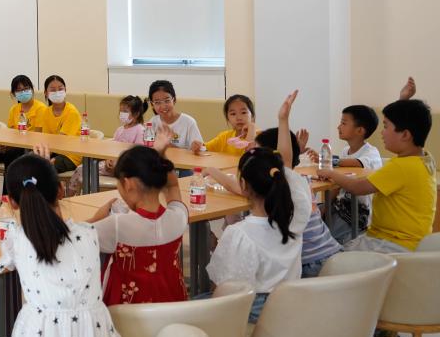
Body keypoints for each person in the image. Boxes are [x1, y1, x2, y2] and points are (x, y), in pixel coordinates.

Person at [0, 152, 125, 337]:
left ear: (12, 202)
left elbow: (6, 260)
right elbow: (74, 233)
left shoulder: (17, 240)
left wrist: (8, 216)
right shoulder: (89, 235)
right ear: (61, 191)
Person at [206, 91, 312, 324]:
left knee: (200, 299)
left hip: (255, 312)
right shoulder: (295, 220)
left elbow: (224, 288)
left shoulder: (238, 234)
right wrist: (283, 120)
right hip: (291, 305)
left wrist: (282, 119)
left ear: (243, 186)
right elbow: (285, 162)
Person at [318, 86, 435, 254]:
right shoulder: (424, 160)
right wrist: (403, 101)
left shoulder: (400, 167)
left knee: (331, 257)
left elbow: (357, 188)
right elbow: (403, 125)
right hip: (411, 242)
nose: (382, 133)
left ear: (405, 135)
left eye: (386, 127)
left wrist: (330, 173)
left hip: (391, 243)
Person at [85, 135, 188, 305]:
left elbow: (72, 236)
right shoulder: (178, 217)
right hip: (174, 308)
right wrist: (159, 156)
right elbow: (173, 186)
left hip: (126, 314)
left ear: (128, 184)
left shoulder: (116, 225)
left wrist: (95, 218)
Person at [308, 105, 383, 243]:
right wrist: (325, 207)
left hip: (358, 213)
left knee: (323, 235)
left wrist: (329, 161)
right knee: (310, 216)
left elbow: (359, 163)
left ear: (360, 130)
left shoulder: (371, 152)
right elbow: (337, 186)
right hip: (339, 206)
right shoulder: (345, 151)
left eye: (343, 123)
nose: (338, 127)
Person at [38, 75, 83, 174]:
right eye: (53, 90)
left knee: (44, 168)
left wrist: (46, 157)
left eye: (60, 89)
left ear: (65, 90)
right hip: (55, 151)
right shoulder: (46, 112)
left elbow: (62, 141)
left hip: (71, 155)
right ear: (46, 93)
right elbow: (46, 138)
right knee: (29, 161)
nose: (57, 92)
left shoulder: (71, 112)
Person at [148, 80, 203, 150]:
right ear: (152, 104)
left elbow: (201, 150)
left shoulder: (189, 122)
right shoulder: (152, 122)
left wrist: (196, 148)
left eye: (167, 100)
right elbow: (149, 148)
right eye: (157, 102)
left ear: (174, 100)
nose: (163, 106)